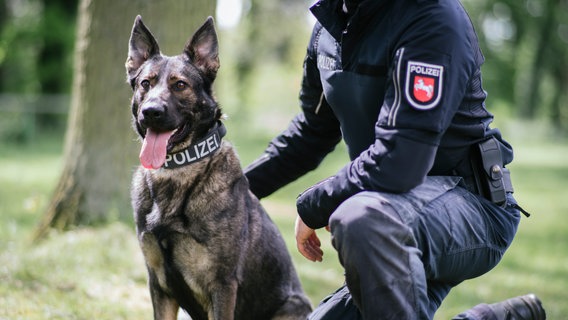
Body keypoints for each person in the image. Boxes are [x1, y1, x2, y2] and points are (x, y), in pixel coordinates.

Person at [244, 0, 545, 319]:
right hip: (392, 212)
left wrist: (314, 205)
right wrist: (223, 191)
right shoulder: (329, 29)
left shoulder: (432, 18)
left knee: (360, 218)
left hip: (471, 204)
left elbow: (400, 161)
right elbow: (310, 134)